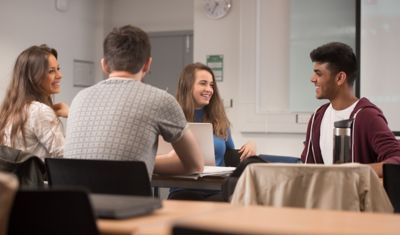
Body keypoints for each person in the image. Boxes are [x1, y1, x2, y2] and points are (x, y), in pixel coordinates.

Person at [64, 25, 203, 177]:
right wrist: (142, 163)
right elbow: (195, 165)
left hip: (74, 200)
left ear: (104, 65)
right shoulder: (161, 100)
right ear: (147, 65)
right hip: (129, 200)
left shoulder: (79, 98)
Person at [301, 42, 400, 177]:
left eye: (318, 74)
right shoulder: (317, 117)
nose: (312, 79)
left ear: (340, 78)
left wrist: (354, 173)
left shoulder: (367, 116)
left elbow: (396, 159)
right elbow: (308, 169)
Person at [168, 62, 257, 201]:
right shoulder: (172, 118)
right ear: (187, 86)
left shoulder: (218, 119)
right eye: (203, 83)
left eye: (211, 85)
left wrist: (251, 145)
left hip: (215, 191)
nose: (209, 89)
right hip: (183, 190)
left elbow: (232, 155)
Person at [0, 45, 67, 160]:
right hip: (39, 178)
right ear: (34, 77)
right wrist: (72, 115)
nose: (59, 75)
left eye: (58, 69)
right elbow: (65, 157)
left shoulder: (10, 110)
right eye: (51, 71)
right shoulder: (40, 111)